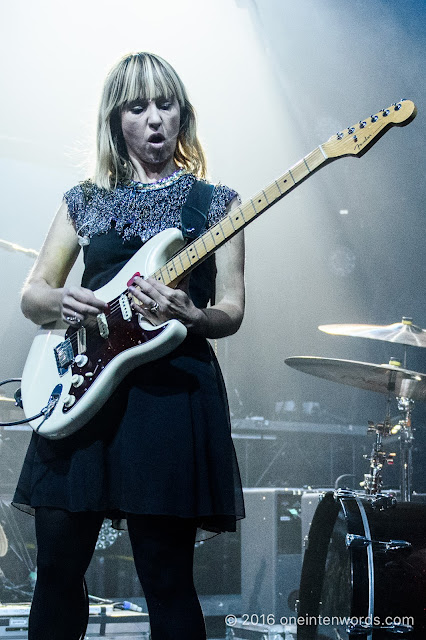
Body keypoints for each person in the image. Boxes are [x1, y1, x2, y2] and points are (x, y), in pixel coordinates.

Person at [12, 52, 245, 640]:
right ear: (117, 119)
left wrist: (194, 313)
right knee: (57, 572)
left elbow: (233, 311)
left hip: (167, 398)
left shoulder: (217, 204)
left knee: (166, 579)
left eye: (166, 105)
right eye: (139, 108)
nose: (155, 120)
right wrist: (62, 300)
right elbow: (32, 292)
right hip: (82, 390)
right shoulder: (84, 199)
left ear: (183, 114)